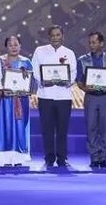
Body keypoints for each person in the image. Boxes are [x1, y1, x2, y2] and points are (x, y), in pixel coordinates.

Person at [31, 25, 76, 168]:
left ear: (63, 36)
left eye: (58, 35)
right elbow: (35, 69)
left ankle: (62, 158)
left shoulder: (69, 53)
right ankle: (49, 157)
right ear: (48, 37)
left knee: (62, 129)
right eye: (53, 35)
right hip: (45, 95)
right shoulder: (40, 51)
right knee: (47, 128)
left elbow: (73, 72)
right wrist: (44, 81)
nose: (55, 38)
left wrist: (67, 81)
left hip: (64, 96)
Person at [0, 35, 35, 166]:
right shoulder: (0, 61)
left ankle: (19, 157)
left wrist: (25, 89)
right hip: (4, 100)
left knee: (20, 125)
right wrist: (1, 90)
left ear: (20, 46)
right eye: (10, 45)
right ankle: (3, 157)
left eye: (16, 44)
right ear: (6, 47)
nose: (13, 47)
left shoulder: (26, 62)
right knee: (3, 125)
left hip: (20, 101)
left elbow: (31, 82)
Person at [75, 31, 106, 169]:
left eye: (94, 42)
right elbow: (79, 81)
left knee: (105, 128)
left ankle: (104, 157)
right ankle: (94, 157)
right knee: (91, 127)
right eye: (90, 42)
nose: (91, 45)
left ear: (101, 43)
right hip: (90, 97)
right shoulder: (82, 60)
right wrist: (86, 89)